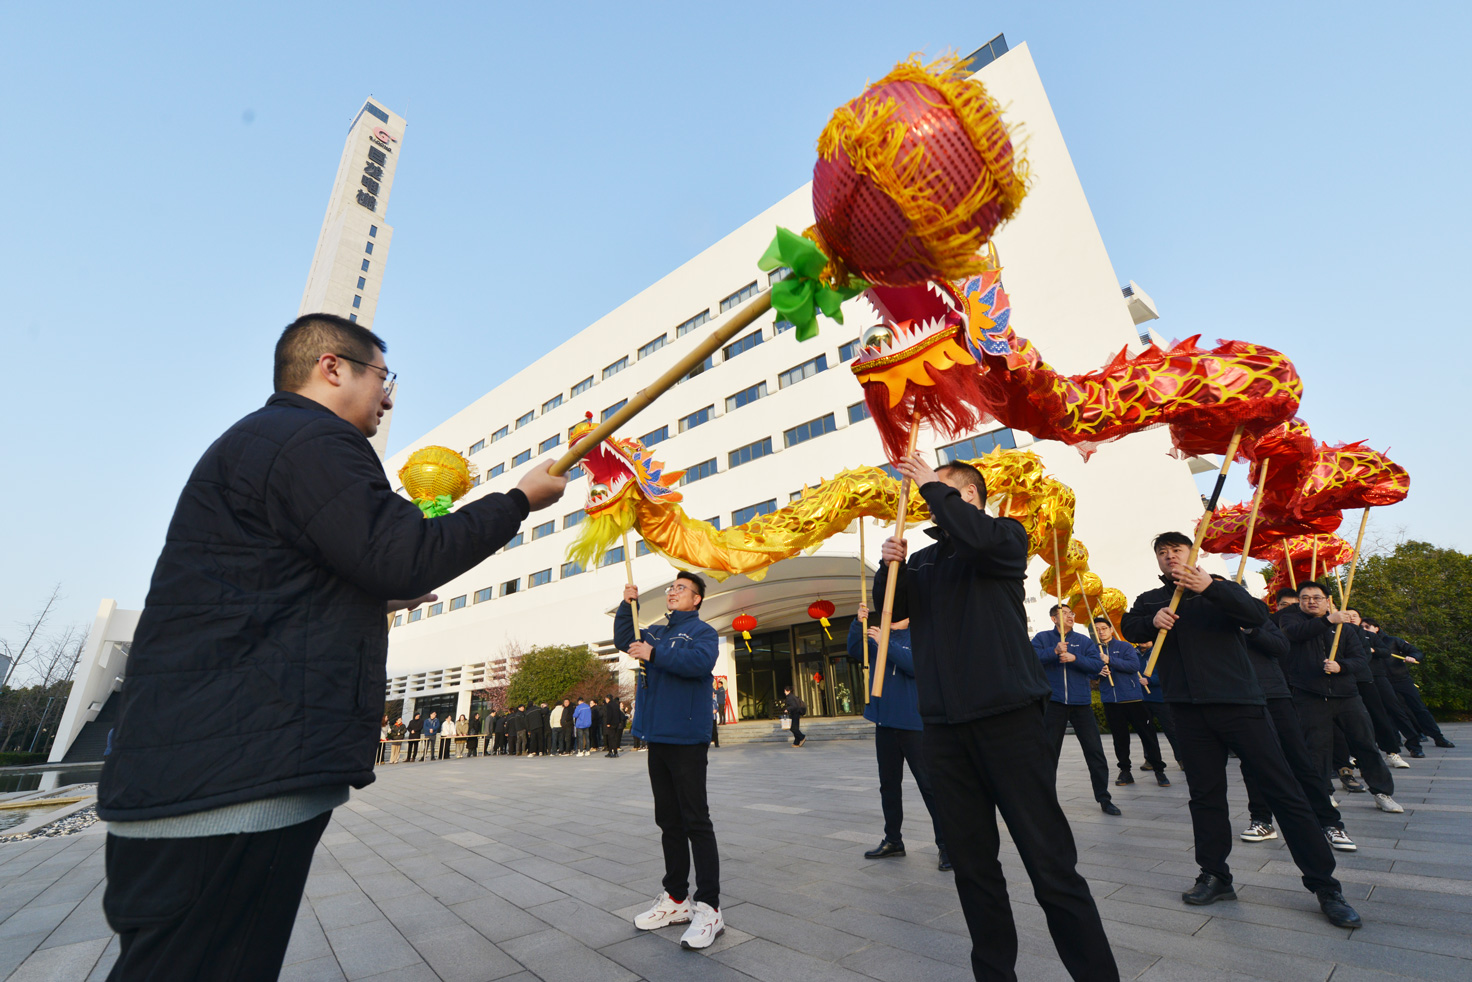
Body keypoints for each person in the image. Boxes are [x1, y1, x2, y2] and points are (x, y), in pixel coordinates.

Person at [94, 313, 566, 980]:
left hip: (212, 773)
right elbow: (401, 554)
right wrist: (519, 500)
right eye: (383, 376)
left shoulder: (271, 444)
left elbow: (287, 585)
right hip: (229, 786)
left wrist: (375, 597)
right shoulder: (310, 441)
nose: (389, 395)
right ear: (332, 367)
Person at [876, 453, 1118, 981]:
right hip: (943, 727)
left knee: (1050, 863)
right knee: (973, 869)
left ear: (967, 496)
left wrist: (927, 484)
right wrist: (888, 564)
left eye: (938, 490)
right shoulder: (923, 562)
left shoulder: (1007, 537)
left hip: (1008, 719)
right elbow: (890, 611)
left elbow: (979, 539)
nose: (924, 498)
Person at [1121, 534, 1361, 928]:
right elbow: (1130, 626)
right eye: (1162, 553)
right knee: (1205, 795)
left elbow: (1255, 616)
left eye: (1176, 550)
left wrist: (1210, 587)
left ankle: (1325, 886)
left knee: (1282, 789)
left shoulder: (1221, 587)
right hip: (1186, 707)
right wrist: (1151, 621)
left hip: (1240, 702)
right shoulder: (1150, 598)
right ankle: (1215, 875)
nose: (1169, 557)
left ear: (1192, 554)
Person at [616, 572, 725, 950]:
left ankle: (709, 907)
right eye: (670, 588)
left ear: (696, 599)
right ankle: (676, 899)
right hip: (657, 737)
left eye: (681, 588)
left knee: (696, 819)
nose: (672, 592)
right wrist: (625, 603)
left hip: (687, 737)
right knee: (669, 820)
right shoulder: (656, 632)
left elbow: (698, 663)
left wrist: (655, 654)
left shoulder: (703, 633)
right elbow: (624, 639)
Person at [1236, 608, 1355, 852]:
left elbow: (1280, 646)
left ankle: (1329, 823)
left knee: (1301, 760)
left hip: (1274, 695)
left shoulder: (1256, 618)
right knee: (1252, 763)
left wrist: (1249, 629)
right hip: (1237, 698)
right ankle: (1261, 820)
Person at [1278, 582, 1400, 812]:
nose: (1311, 601)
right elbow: (1294, 634)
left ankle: (1382, 792)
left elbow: (1360, 658)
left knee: (1365, 744)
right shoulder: (1291, 621)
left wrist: (1341, 667)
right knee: (1316, 748)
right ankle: (1322, 793)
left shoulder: (1349, 629)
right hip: (1309, 694)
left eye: (1316, 597)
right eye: (1305, 598)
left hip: (1347, 695)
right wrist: (1328, 620)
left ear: (1328, 601)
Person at [846, 603, 950, 869]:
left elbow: (914, 665)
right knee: (889, 786)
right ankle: (893, 840)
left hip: (914, 724)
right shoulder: (879, 634)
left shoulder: (921, 635)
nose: (887, 614)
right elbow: (856, 650)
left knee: (929, 785)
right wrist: (858, 624)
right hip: (885, 722)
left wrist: (885, 642)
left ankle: (947, 845)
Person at [1034, 605, 1118, 814]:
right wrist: (1053, 652)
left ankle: (1104, 798)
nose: (1071, 616)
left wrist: (1074, 658)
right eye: (1064, 613)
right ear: (1054, 619)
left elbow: (1095, 665)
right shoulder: (1042, 638)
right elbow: (1029, 660)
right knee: (1048, 754)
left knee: (1095, 751)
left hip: (1081, 704)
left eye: (1071, 613)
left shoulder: (1083, 641)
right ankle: (1045, 801)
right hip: (1053, 704)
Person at [1092, 616, 1168, 788]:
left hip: (1133, 699)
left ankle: (1159, 770)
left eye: (1103, 628)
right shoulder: (1094, 650)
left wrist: (1110, 660)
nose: (1101, 632)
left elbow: (1133, 666)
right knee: (1120, 739)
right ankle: (1125, 771)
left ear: (1111, 629)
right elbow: (1089, 673)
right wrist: (1098, 670)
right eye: (1097, 629)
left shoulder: (1124, 646)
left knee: (1147, 735)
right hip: (1111, 701)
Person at [1379, 631, 1454, 748]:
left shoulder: (1392, 641)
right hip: (1383, 681)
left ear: (1376, 627)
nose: (1365, 628)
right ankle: (1397, 740)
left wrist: (1413, 657)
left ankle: (1437, 736)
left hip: (1402, 679)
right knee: (1391, 712)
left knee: (1419, 708)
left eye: (1367, 626)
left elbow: (1415, 651)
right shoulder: (1363, 643)